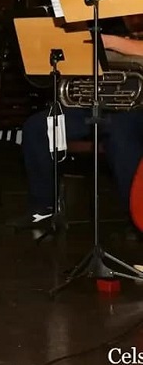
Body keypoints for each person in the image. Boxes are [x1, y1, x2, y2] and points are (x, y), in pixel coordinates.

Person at [18, 33, 143, 232]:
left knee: (119, 135)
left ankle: (136, 215)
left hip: (133, 106)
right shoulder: (96, 14)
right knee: (38, 128)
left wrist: (111, 42)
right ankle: (45, 207)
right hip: (93, 102)